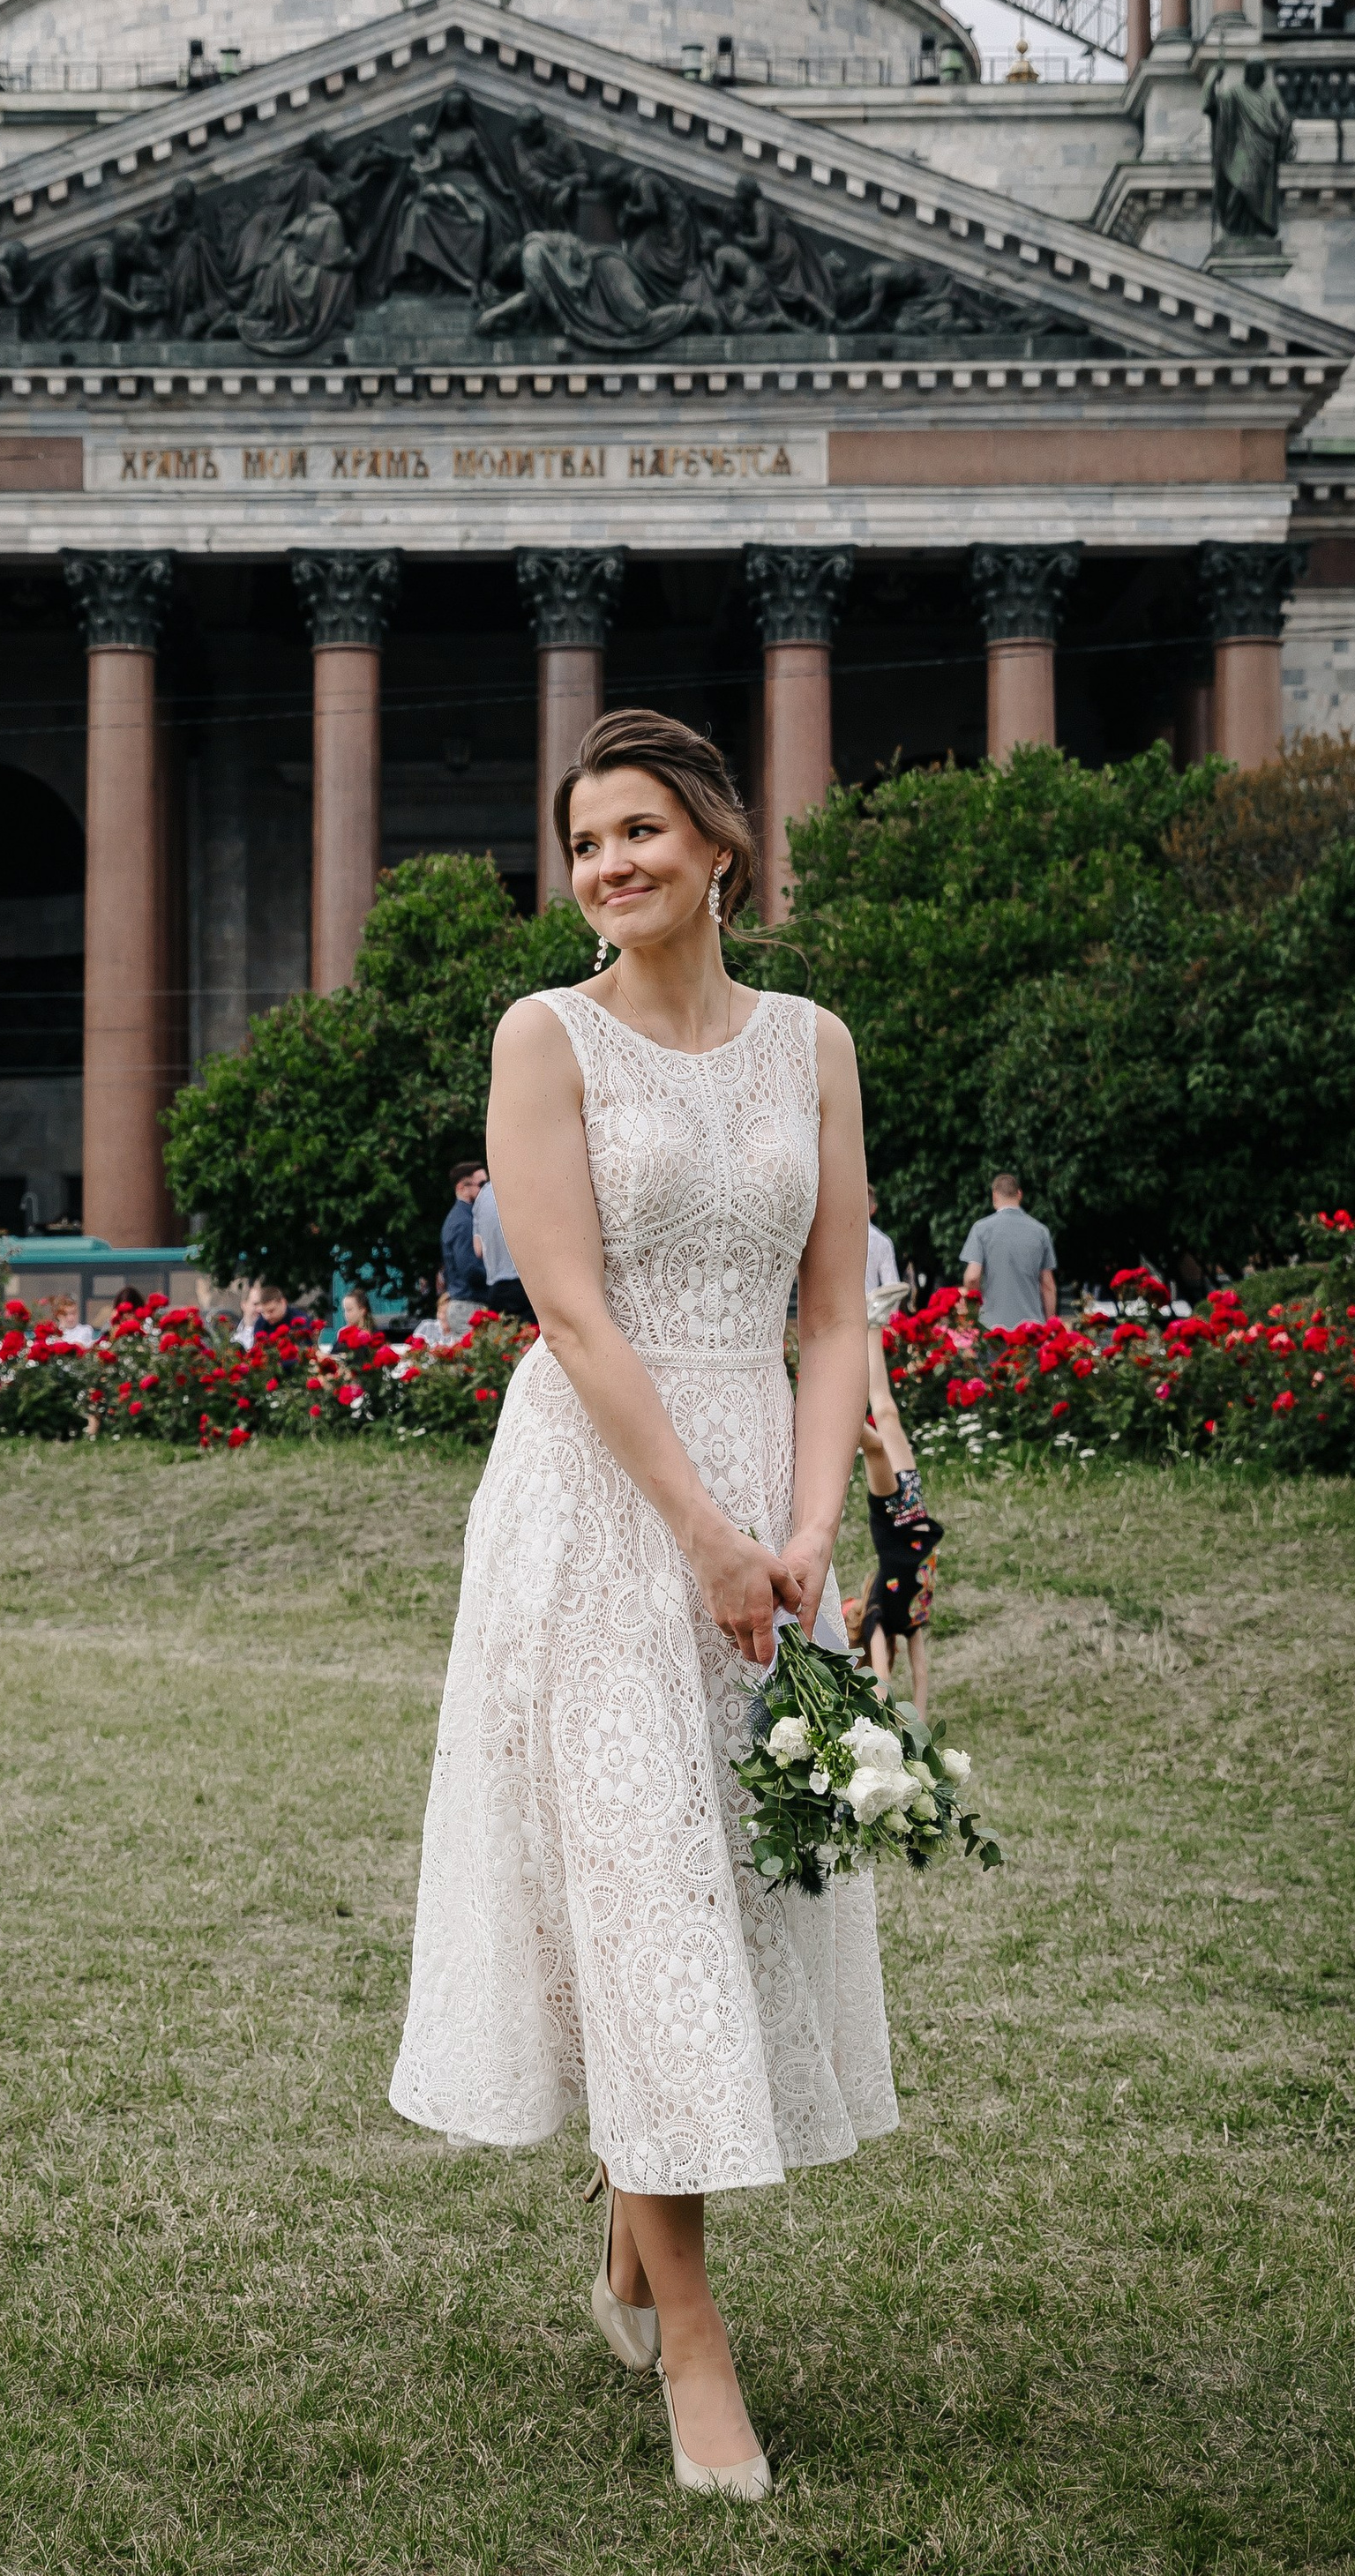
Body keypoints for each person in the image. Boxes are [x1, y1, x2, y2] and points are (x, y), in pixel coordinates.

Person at [392, 706, 891, 2505]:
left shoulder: (814, 1048)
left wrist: (806, 1523)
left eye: (638, 835)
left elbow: (833, 1312)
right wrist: (696, 1527)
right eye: (583, 842)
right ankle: (692, 2339)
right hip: (603, 1502)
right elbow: (572, 1315)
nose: (606, 867)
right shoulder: (546, 1039)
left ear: (718, 846)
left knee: (731, 1890)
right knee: (636, 1894)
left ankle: (632, 2227)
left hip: (766, 1487)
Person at [840, 1306, 940, 1714]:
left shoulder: (878, 1615)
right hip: (914, 1515)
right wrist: (922, 1734)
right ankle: (873, 1322)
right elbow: (921, 1676)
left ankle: (820, 1407)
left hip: (895, 1525)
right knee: (886, 1413)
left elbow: (881, 1680)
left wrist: (884, 1725)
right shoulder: (911, 1621)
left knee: (875, 1443)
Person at [961, 1174, 1058, 1331]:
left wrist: (973, 1313)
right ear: (1019, 1194)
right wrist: (1050, 1325)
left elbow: (972, 1278)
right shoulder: (1040, 1231)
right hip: (1030, 1331)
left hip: (992, 1329)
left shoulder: (981, 1229)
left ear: (994, 1196)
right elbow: (1047, 1285)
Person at [470, 1176, 530, 1325]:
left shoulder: (482, 1196)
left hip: (497, 1287)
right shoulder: (526, 1185)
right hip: (527, 1283)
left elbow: (478, 1250)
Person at [440, 1161, 490, 1312]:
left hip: (466, 1303)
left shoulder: (461, 1217)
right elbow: (470, 1268)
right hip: (470, 1305)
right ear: (462, 1188)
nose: (486, 1189)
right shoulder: (464, 1222)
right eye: (481, 1184)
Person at [864, 1180, 899, 1307]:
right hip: (869, 1313)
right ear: (873, 1209)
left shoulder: (882, 1242)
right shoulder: (882, 1242)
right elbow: (892, 1289)